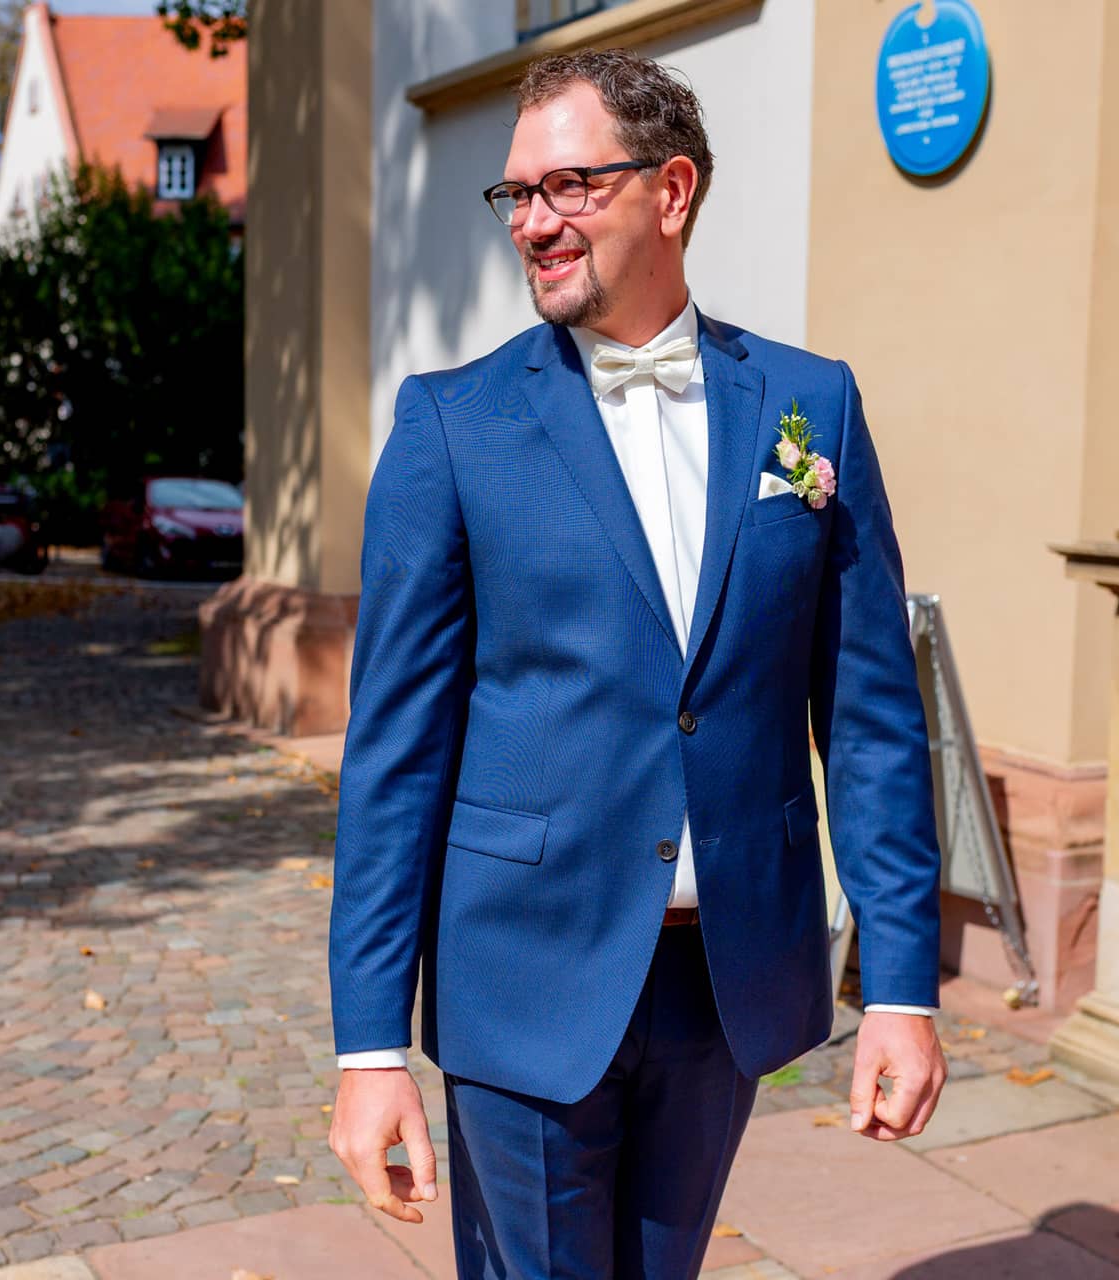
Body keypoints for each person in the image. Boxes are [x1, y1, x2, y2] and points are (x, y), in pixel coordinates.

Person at [327, 48, 948, 1280]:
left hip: (728, 979)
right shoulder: (451, 427)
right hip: (524, 973)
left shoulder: (806, 408)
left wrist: (903, 983)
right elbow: (392, 758)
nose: (534, 223)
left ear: (671, 192)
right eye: (517, 195)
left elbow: (870, 712)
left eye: (568, 186)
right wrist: (367, 1050)